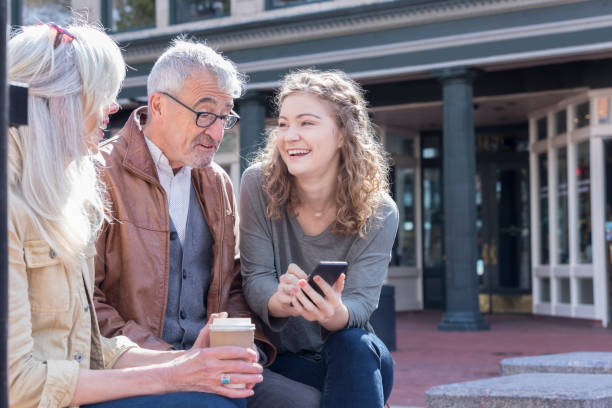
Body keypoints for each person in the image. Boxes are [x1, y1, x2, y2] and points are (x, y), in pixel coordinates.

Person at [8, 23, 262, 408]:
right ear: (58, 101)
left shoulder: (55, 198)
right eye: (102, 95)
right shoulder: (74, 184)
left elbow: (90, 346)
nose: (113, 109)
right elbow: (19, 383)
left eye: (225, 116)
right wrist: (174, 372)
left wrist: (195, 360)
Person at [93, 39, 320, 407]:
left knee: (305, 401)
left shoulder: (216, 182)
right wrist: (174, 362)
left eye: (225, 116)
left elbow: (230, 283)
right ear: (158, 105)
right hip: (137, 370)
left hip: (211, 364)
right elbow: (89, 305)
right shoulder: (99, 175)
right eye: (204, 114)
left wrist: (244, 351)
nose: (216, 133)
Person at [240, 69, 399, 407]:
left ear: (343, 134)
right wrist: (279, 300)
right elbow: (256, 279)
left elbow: (360, 305)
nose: (289, 135)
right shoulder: (257, 184)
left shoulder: (379, 210)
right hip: (280, 358)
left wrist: (331, 314)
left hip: (352, 356)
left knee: (353, 344)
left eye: (306, 123)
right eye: (283, 124)